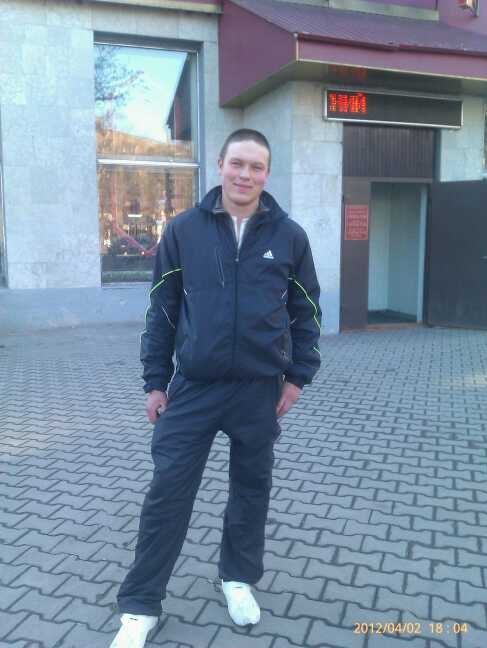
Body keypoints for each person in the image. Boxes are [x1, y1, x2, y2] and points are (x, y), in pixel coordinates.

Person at [109, 129, 322, 648]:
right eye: (238, 164)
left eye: (256, 167)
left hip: (258, 389)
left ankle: (237, 579)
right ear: (221, 165)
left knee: (251, 489)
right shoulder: (184, 231)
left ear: (266, 174)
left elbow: (307, 311)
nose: (245, 175)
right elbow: (161, 309)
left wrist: (297, 376)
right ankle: (140, 605)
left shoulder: (289, 237)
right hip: (194, 388)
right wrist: (155, 381)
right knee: (168, 490)